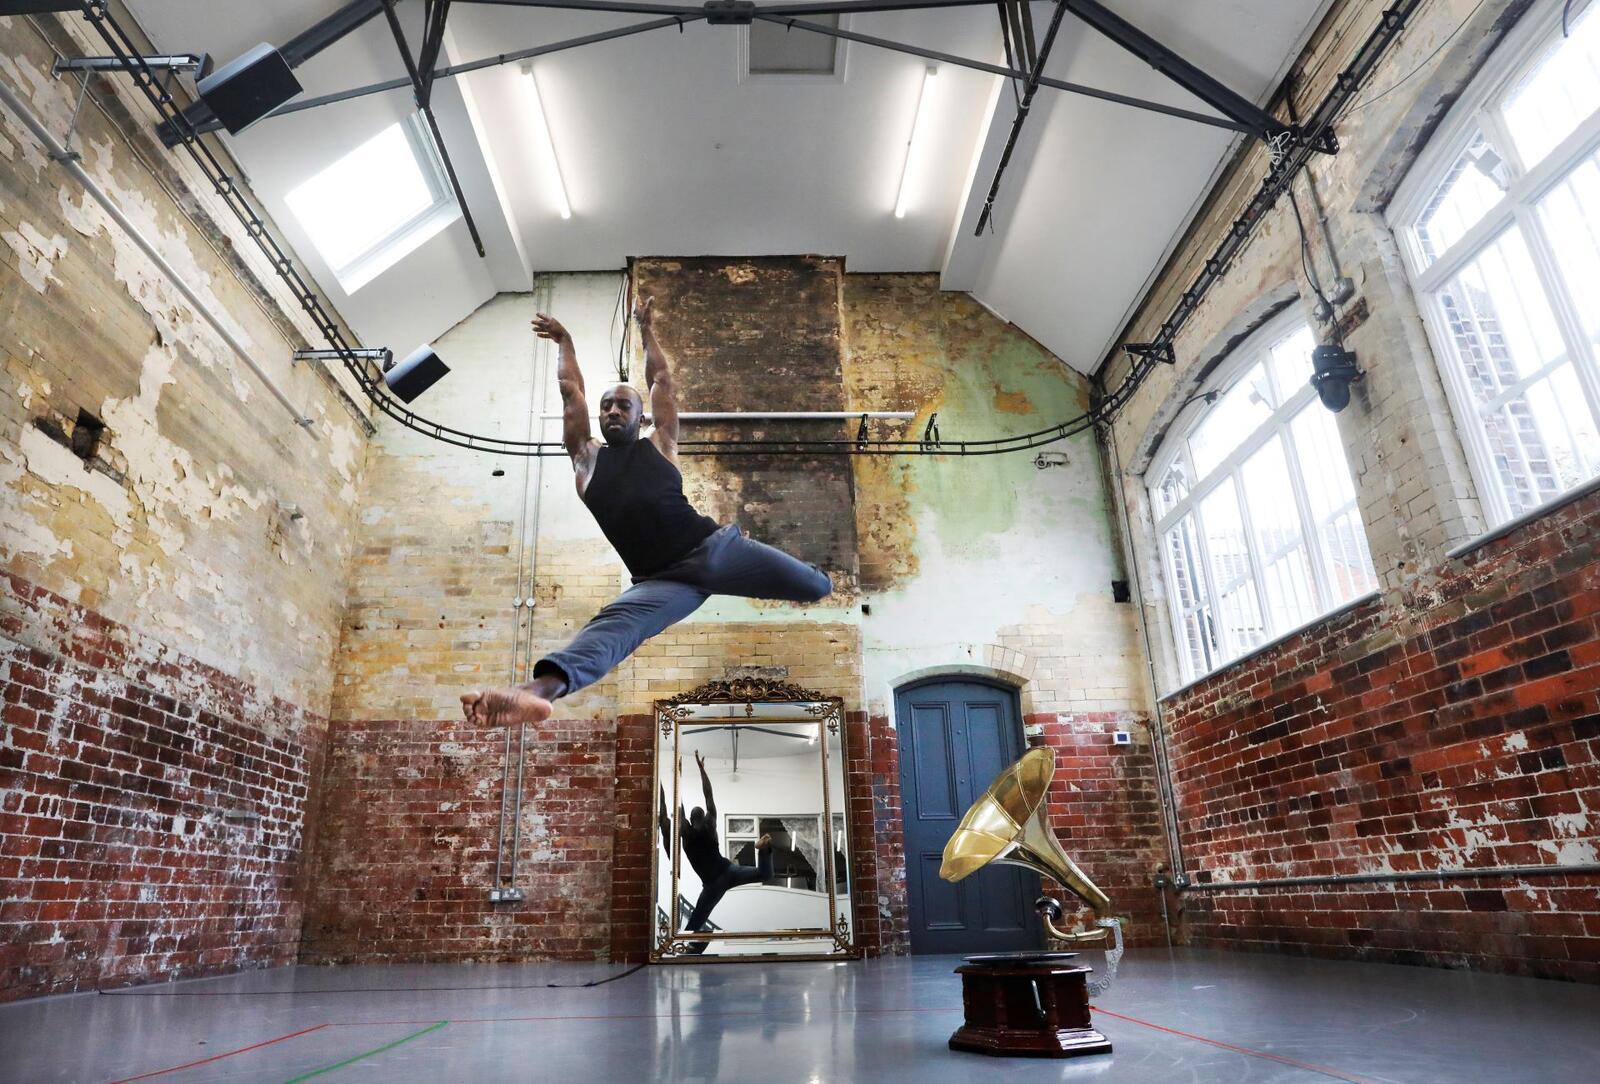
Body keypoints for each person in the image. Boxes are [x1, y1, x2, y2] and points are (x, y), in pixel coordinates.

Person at [460, 295, 832, 726]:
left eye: (624, 406)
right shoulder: (585, 460)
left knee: (817, 588)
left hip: (715, 551)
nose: (613, 411)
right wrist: (565, 341)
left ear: (641, 416)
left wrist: (645, 328)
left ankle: (807, 572)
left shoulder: (661, 444)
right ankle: (529, 694)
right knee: (609, 630)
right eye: (606, 407)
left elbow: (662, 378)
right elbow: (570, 391)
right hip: (662, 582)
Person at [661, 750, 774, 953]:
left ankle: (688, 946)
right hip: (728, 871)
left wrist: (679, 775)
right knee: (765, 874)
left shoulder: (685, 832)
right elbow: (708, 795)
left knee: (695, 920)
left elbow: (680, 803)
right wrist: (702, 770)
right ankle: (764, 850)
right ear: (704, 816)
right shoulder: (710, 824)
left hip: (712, 885)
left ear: (689, 819)